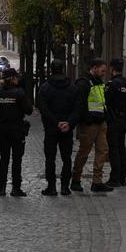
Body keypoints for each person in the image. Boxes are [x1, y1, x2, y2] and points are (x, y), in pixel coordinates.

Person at [37, 59, 80, 196]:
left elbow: (43, 108)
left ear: (51, 69)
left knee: (50, 158)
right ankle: (65, 187)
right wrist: (69, 123)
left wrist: (55, 122)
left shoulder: (45, 87)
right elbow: (78, 108)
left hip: (51, 128)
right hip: (67, 129)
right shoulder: (72, 87)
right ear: (63, 69)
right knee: (66, 158)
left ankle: (51, 187)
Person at [0, 68, 33, 196]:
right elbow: (29, 110)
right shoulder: (19, 93)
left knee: (4, 159)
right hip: (17, 129)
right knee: (17, 159)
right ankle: (16, 188)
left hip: (3, 130)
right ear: (13, 79)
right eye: (16, 77)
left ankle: (1, 188)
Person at [71, 58, 113, 193]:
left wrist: (105, 117)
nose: (103, 73)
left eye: (105, 71)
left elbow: (102, 102)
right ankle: (76, 180)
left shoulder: (100, 83)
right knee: (84, 152)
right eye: (102, 70)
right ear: (94, 68)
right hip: (89, 125)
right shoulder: (84, 83)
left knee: (103, 151)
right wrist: (87, 120)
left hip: (100, 123)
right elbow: (80, 104)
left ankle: (97, 181)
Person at [105, 58, 126, 187]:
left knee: (114, 149)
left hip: (113, 119)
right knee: (122, 147)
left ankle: (114, 178)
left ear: (112, 68)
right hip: (123, 118)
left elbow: (106, 100)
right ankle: (123, 178)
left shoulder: (112, 84)